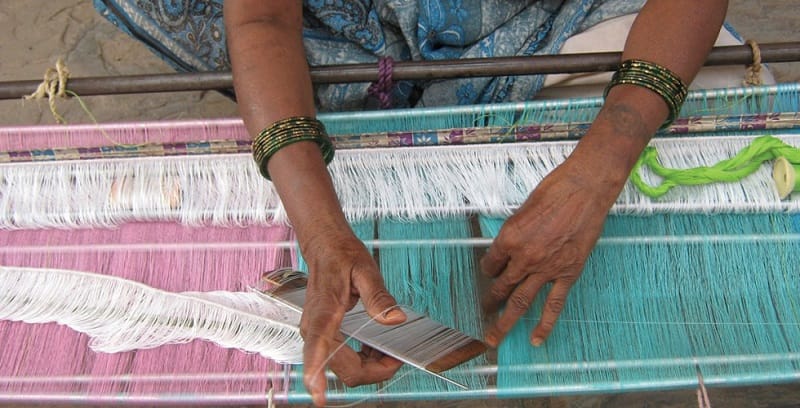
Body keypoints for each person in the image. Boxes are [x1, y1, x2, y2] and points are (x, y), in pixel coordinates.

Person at [96, 1, 730, 406]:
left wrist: (600, 167)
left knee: (718, 88)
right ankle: (383, 116)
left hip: (540, 21)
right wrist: (318, 233)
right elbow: (262, 19)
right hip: (348, 30)